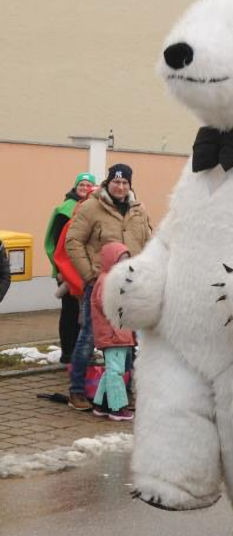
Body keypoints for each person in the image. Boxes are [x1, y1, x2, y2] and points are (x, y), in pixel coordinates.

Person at [65, 163, 152, 410]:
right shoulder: (92, 207)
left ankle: (123, 391)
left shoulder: (138, 209)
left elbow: (148, 241)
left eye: (125, 183)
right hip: (101, 284)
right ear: (108, 182)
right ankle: (77, 390)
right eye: (116, 181)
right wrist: (89, 275)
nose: (120, 186)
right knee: (90, 336)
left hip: (130, 285)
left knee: (128, 338)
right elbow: (73, 241)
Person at [44, 172, 96, 363]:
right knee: (70, 312)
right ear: (75, 187)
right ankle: (68, 352)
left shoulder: (94, 209)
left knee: (86, 314)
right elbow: (56, 243)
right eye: (81, 184)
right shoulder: (65, 209)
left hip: (86, 272)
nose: (84, 188)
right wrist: (59, 271)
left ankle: (82, 353)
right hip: (67, 272)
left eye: (88, 185)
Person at [90, 243, 136, 421]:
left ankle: (101, 403)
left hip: (120, 334)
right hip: (114, 334)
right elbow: (107, 305)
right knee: (115, 371)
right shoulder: (107, 281)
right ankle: (117, 407)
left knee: (113, 369)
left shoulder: (113, 280)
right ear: (111, 261)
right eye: (121, 261)